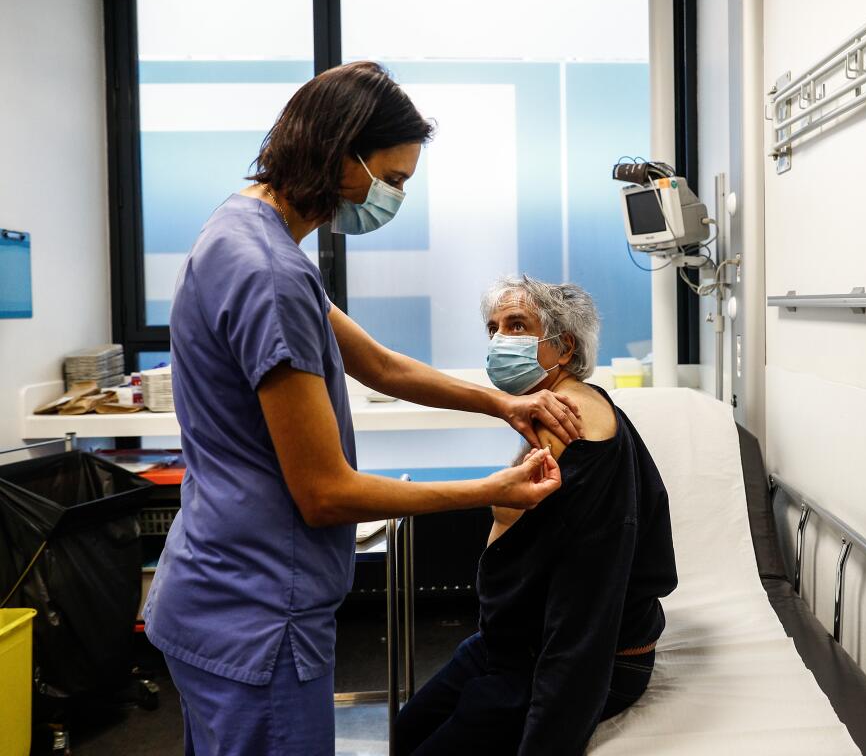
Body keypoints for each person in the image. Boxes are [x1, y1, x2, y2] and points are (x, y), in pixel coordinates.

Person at [142, 62, 583, 756]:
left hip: (209, 591)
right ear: (340, 151)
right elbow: (324, 494)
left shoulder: (240, 233)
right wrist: (490, 491)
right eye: (394, 179)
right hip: (261, 616)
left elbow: (378, 365)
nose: (394, 198)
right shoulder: (271, 274)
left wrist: (499, 403)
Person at [394, 276, 679, 755]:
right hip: (506, 645)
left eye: (517, 325)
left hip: (572, 658)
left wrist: (547, 740)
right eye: (493, 329)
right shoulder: (544, 411)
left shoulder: (578, 433)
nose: (499, 341)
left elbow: (584, 614)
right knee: (401, 735)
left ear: (564, 347)